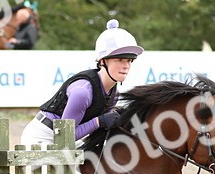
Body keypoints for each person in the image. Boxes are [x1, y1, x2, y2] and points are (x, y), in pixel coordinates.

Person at [20, 19, 142, 147]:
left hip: (69, 139)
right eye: (120, 60)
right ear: (102, 61)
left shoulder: (114, 92)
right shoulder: (82, 92)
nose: (126, 66)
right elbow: (64, 135)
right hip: (43, 137)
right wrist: (98, 122)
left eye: (129, 60)